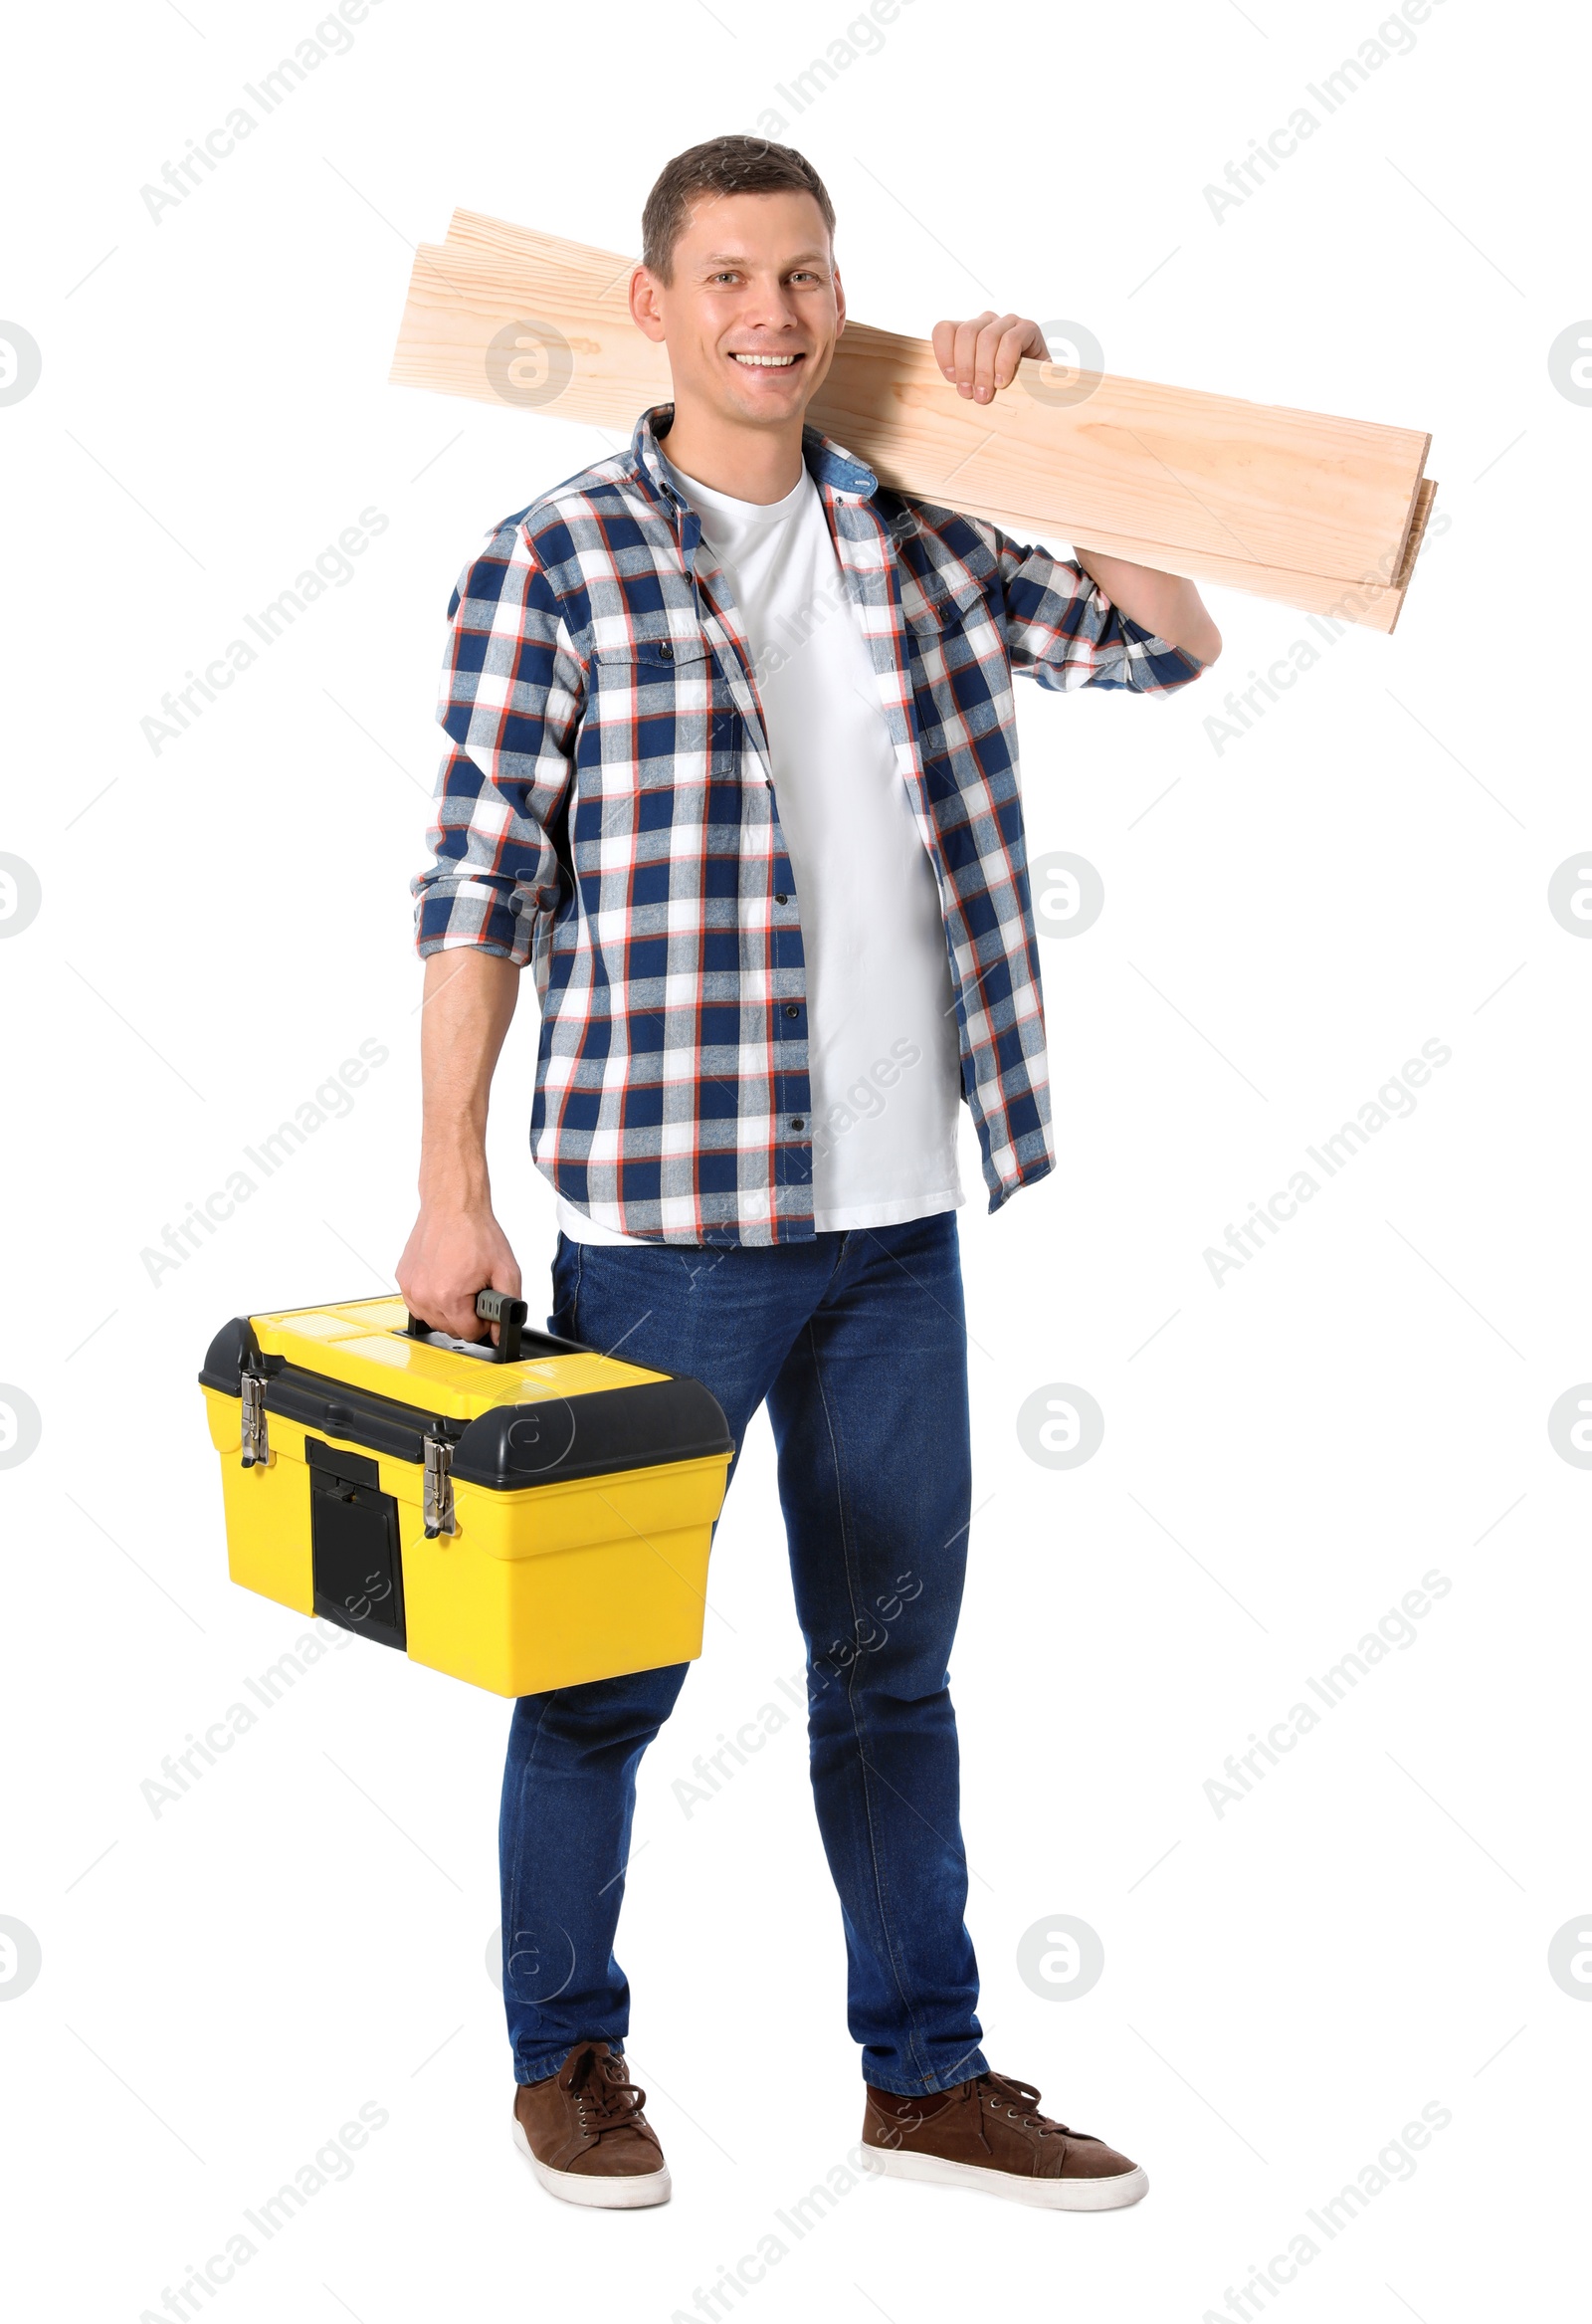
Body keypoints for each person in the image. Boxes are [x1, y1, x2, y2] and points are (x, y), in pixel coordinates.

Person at [398, 133, 1220, 2214]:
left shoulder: (927, 539)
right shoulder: (556, 561)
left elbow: (1169, 640)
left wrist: (1049, 423)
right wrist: (449, 1187)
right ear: (652, 306)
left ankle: (921, 2076)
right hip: (667, 1241)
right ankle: (564, 2055)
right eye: (731, 274)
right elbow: (476, 884)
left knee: (890, 1674)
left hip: (893, 1233)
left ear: (837, 305)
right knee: (602, 1675)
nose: (771, 309)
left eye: (806, 275)